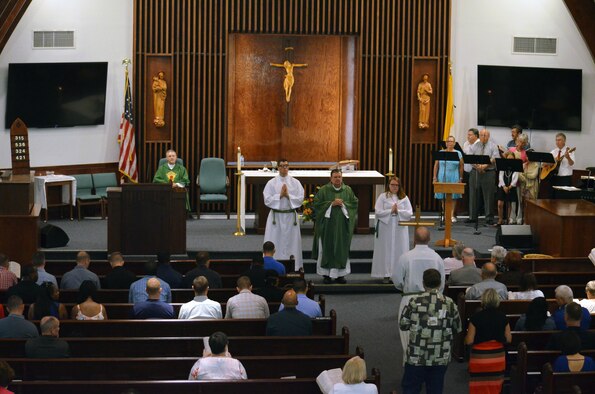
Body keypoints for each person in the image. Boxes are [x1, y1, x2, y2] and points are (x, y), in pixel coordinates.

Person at [400, 269, 461, 394]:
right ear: (440, 283)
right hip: (440, 356)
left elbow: (403, 325)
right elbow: (457, 327)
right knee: (435, 390)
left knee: (410, 389)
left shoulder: (414, 302)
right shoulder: (449, 303)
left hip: (417, 356)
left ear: (423, 283)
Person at [392, 227, 445, 362]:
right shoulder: (437, 258)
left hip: (410, 298)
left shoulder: (406, 257)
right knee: (431, 334)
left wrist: (405, 289)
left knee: (408, 335)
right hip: (434, 299)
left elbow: (397, 280)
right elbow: (442, 282)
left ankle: (410, 364)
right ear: (429, 239)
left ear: (414, 239)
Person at [312, 169, 358, 284]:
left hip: (342, 226)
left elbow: (354, 204)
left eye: (339, 177)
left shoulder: (347, 190)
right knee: (327, 247)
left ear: (342, 178)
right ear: (330, 178)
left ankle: (340, 275)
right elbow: (316, 205)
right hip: (327, 226)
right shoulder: (323, 190)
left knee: (341, 248)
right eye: (335, 177)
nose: (337, 179)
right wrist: (331, 204)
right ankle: (326, 275)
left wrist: (343, 204)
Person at [465, 288, 511, 394]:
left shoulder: (476, 317)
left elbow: (469, 341)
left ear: (483, 300)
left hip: (479, 358)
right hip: (497, 357)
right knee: (495, 387)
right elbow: (508, 339)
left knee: (478, 387)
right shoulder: (503, 317)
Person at [263, 158, 305, 270]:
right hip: (276, 218)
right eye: (282, 166)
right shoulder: (271, 183)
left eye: (286, 165)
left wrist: (288, 196)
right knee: (275, 241)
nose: (284, 168)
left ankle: (294, 267)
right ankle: (273, 267)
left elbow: (300, 199)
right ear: (278, 167)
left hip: (290, 217)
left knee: (292, 243)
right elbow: (267, 199)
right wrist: (280, 195)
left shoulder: (295, 182)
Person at [371, 176, 413, 283]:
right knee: (386, 250)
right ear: (388, 185)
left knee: (400, 249)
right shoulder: (383, 196)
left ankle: (398, 274)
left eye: (396, 185)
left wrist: (398, 211)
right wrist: (390, 210)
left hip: (399, 226)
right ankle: (386, 274)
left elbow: (409, 213)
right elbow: (378, 211)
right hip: (386, 226)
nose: (394, 187)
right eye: (392, 185)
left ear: (399, 186)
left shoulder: (404, 197)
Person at [469, 129, 499, 225]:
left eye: (485, 135)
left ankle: (489, 218)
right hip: (475, 172)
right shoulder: (474, 145)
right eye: (481, 135)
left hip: (489, 172)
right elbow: (469, 157)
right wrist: (478, 167)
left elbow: (495, 158)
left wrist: (484, 166)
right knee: (473, 194)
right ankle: (472, 217)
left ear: (488, 136)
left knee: (489, 195)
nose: (483, 137)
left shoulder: (493, 145)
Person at [433, 136, 463, 222]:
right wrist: (434, 177)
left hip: (454, 175)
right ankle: (445, 214)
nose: (450, 143)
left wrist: (461, 178)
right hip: (442, 175)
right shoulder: (441, 152)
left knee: (453, 196)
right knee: (443, 196)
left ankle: (451, 215)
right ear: (446, 143)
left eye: (451, 141)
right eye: (448, 141)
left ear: (454, 143)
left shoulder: (458, 153)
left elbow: (461, 166)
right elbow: (436, 165)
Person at [508, 133, 530, 224]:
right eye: (519, 141)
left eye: (522, 142)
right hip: (510, 177)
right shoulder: (511, 149)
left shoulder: (525, 153)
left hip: (520, 178)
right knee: (513, 199)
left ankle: (519, 217)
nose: (520, 143)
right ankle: (512, 217)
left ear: (525, 144)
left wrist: (524, 164)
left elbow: (526, 165)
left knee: (520, 198)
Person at [496, 151, 519, 226]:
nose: (510, 161)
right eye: (508, 159)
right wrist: (504, 186)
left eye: (512, 159)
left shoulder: (516, 166)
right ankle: (500, 219)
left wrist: (510, 186)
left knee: (509, 203)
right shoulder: (503, 165)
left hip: (511, 186)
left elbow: (516, 177)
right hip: (502, 186)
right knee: (500, 203)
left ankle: (508, 219)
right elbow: (500, 176)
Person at [463, 128, 480, 219]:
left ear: (476, 136)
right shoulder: (466, 143)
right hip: (466, 170)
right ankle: (469, 212)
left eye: (470, 135)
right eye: (468, 134)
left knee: (475, 193)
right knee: (468, 193)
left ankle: (475, 213)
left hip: (475, 170)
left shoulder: (479, 144)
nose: (468, 136)